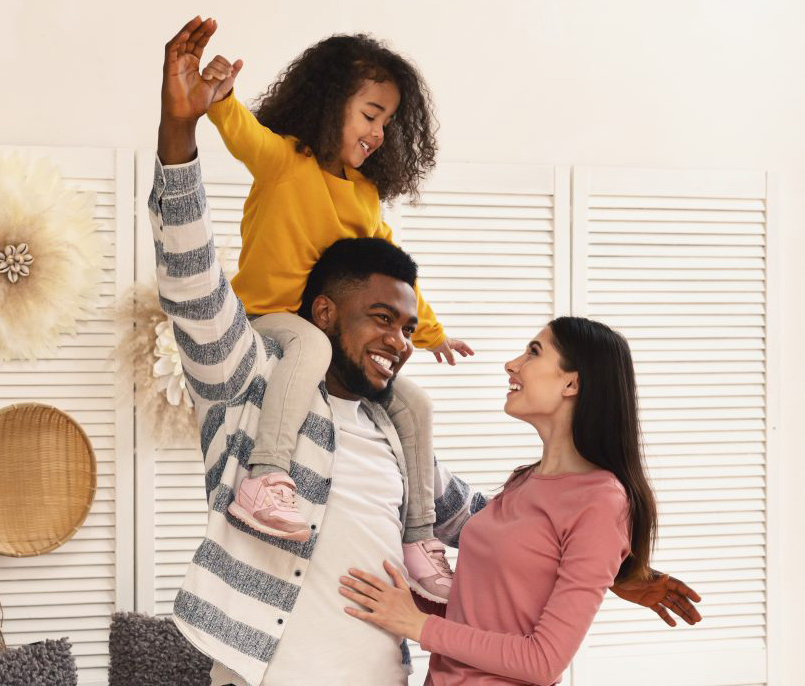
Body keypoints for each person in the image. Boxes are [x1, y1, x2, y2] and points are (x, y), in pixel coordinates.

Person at [152, 17, 702, 686]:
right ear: (324, 311)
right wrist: (179, 132)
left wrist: (614, 572)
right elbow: (190, 277)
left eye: (408, 328)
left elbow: (494, 528)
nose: (398, 342)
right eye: (381, 319)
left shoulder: (393, 431)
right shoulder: (252, 381)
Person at [197, 26, 471, 603]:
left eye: (388, 122)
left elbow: (391, 275)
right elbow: (243, 134)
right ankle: (265, 477)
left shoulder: (364, 196)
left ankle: (419, 539)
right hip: (268, 322)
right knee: (312, 346)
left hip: (322, 338)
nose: (378, 132)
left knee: (413, 401)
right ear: (331, 104)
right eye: (371, 114)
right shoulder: (285, 162)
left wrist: (433, 332)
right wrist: (220, 98)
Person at [339, 317, 680, 685]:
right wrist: (406, 602)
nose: (512, 364)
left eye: (533, 352)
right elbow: (486, 604)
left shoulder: (602, 501)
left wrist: (417, 623)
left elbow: (542, 661)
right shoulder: (524, 481)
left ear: (571, 382)